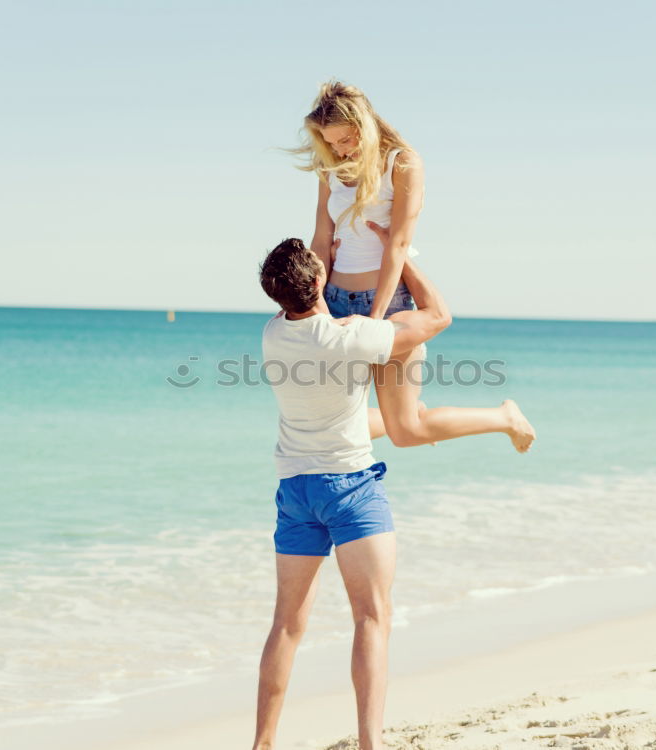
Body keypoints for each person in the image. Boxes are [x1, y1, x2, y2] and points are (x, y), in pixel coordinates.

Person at [253, 230, 535, 750]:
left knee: (287, 625)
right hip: (349, 490)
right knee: (371, 617)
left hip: (294, 490)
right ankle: (369, 744)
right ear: (319, 281)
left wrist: (322, 261)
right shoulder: (351, 335)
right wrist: (397, 255)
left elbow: (305, 291)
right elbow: (438, 315)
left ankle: (263, 743)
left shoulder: (273, 333)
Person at [293, 79, 504, 448]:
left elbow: (399, 244)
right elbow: (322, 240)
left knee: (406, 433)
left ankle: (504, 417)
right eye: (331, 144)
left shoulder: (402, 163)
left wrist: (375, 319)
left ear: (364, 127)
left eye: (344, 140)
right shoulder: (330, 170)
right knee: (328, 420)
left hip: (387, 304)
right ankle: (400, 414)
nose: (339, 151)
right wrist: (316, 305)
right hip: (335, 300)